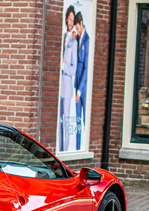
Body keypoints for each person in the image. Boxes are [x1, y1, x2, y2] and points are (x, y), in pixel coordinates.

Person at [59, 5, 77, 152]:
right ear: (66, 18)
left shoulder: (74, 42)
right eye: (69, 18)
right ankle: (58, 148)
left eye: (73, 19)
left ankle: (64, 151)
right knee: (57, 123)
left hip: (66, 86)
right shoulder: (62, 36)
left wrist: (64, 66)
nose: (70, 21)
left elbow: (74, 68)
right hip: (57, 86)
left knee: (65, 121)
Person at [74, 12, 89, 151]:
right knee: (78, 121)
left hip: (83, 88)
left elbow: (86, 68)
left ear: (81, 23)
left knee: (83, 120)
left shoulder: (87, 40)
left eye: (77, 27)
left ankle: (82, 147)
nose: (76, 30)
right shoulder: (78, 38)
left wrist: (79, 90)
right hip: (77, 85)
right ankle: (78, 148)